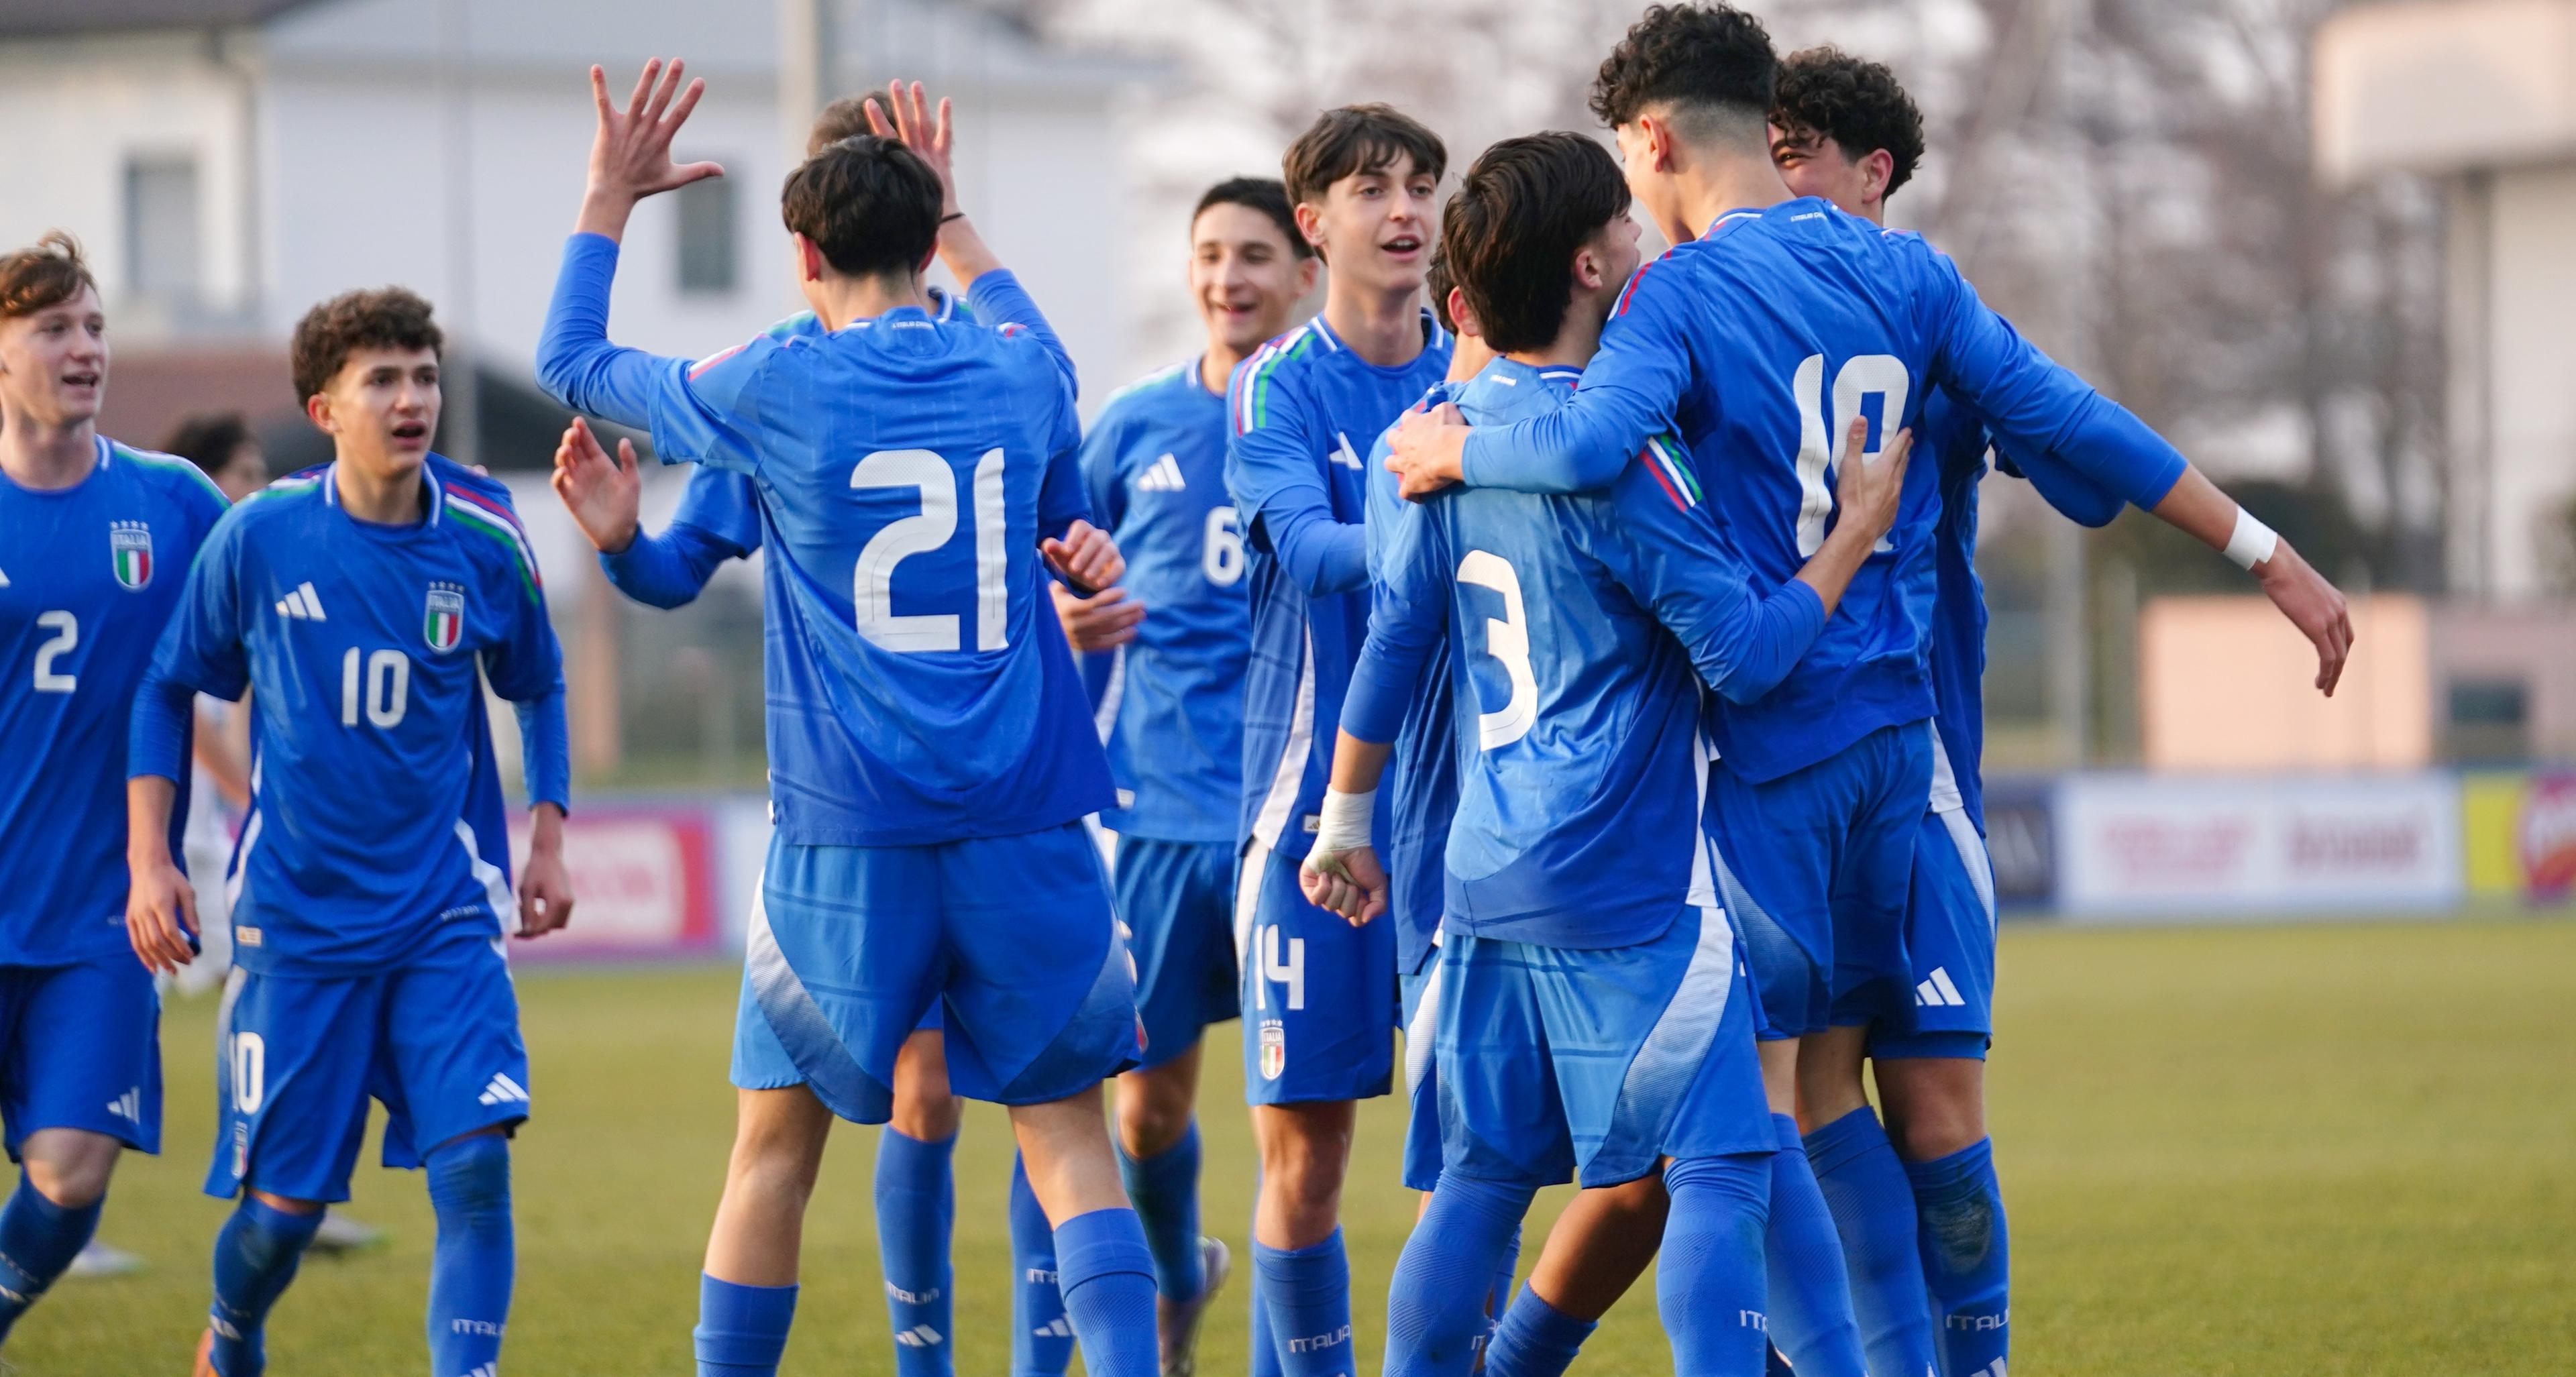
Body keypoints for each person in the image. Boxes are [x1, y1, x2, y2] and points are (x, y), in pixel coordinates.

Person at [1385, 7, 2355, 1374]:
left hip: (1754, 746)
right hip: (1902, 750)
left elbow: (1593, 436)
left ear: (1653, 140)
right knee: (1855, 1096)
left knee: (1744, 1121)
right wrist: (2264, 551)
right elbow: (2075, 416)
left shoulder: (1672, 293)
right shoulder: (1908, 275)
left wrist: (1452, 444)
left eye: (1629, 164)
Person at [535, 58, 1161, 1377]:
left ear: (805, 248)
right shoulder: (1025, 373)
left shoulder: (771, 386)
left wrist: (609, 192)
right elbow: (1052, 440)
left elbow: (570, 362)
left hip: (849, 832)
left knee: (774, 1151)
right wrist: (958, 214)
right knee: (1065, 1135)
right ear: (927, 230)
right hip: (1025, 818)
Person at [1307, 129, 1915, 1377]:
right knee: (1726, 1169)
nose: (1648, 240)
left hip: (1482, 880)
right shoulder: (1629, 463)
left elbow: (1394, 644)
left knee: (1480, 1185)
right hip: (1625, 882)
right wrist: (1851, 535)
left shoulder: (1424, 439)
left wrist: (1346, 819)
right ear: (1592, 266)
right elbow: (1746, 655)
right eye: (1627, 231)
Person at [125, 285, 576, 1377]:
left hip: (441, 916)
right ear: (325, 408)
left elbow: (540, 680)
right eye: (383, 379)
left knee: (474, 1168)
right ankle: (231, 1333)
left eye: (423, 374)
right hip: (299, 927)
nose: (411, 397)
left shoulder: (480, 535)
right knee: (278, 1216)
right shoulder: (262, 536)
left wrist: (549, 834)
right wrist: (150, 859)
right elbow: (166, 685)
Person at [1053, 175, 1319, 1377]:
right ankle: (1175, 1278)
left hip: (1295, 829)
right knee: (1142, 1111)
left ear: (1305, 274)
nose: (1229, 278)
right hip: (1156, 820)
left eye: (1255, 255)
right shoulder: (1135, 426)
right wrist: (1068, 614)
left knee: (1290, 1143)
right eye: (1211, 254)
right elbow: (1056, 563)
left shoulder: (1324, 416)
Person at [1222, 101, 1452, 1377]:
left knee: (1466, 1154)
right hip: (1310, 817)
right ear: (1314, 224)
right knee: (1306, 1156)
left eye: (1421, 183)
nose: (1405, 209)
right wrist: (1442, 528)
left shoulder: (1474, 365)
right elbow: (1308, 549)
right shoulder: (1283, 384)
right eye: (1372, 188)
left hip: (1468, 824)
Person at [0, 232, 229, 1345]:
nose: (83, 348)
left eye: (93, 326)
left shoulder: (175, 502)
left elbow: (286, 587)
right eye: (52, 328)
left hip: (103, 913)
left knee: (72, 1172)